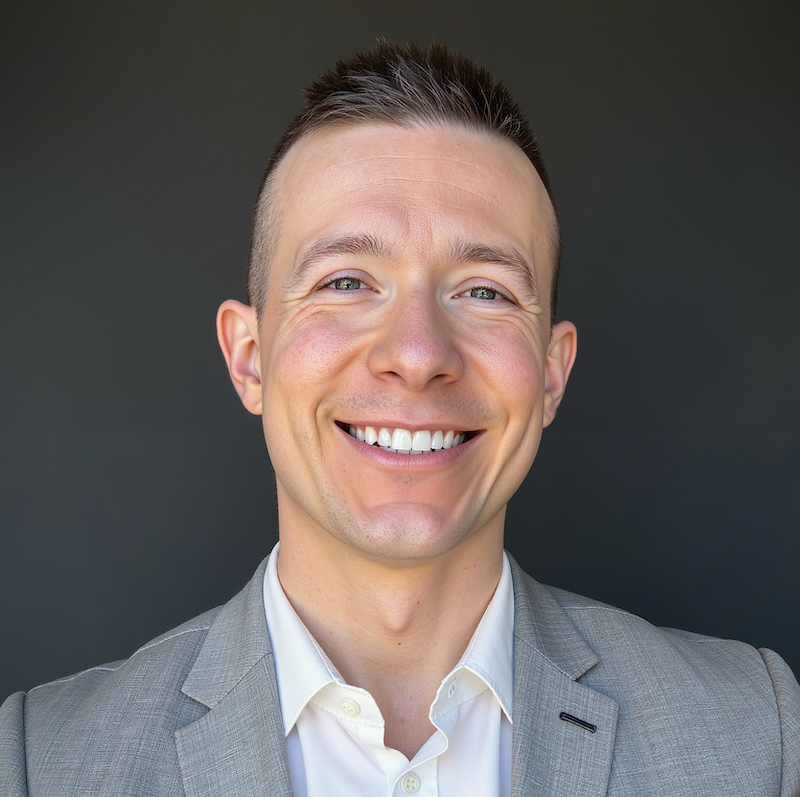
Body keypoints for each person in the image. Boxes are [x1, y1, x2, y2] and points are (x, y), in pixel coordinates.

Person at [1, 39, 798, 797]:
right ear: (249, 357)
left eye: (484, 290)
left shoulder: (757, 737)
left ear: (553, 374)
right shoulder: (41, 762)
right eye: (347, 281)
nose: (417, 353)